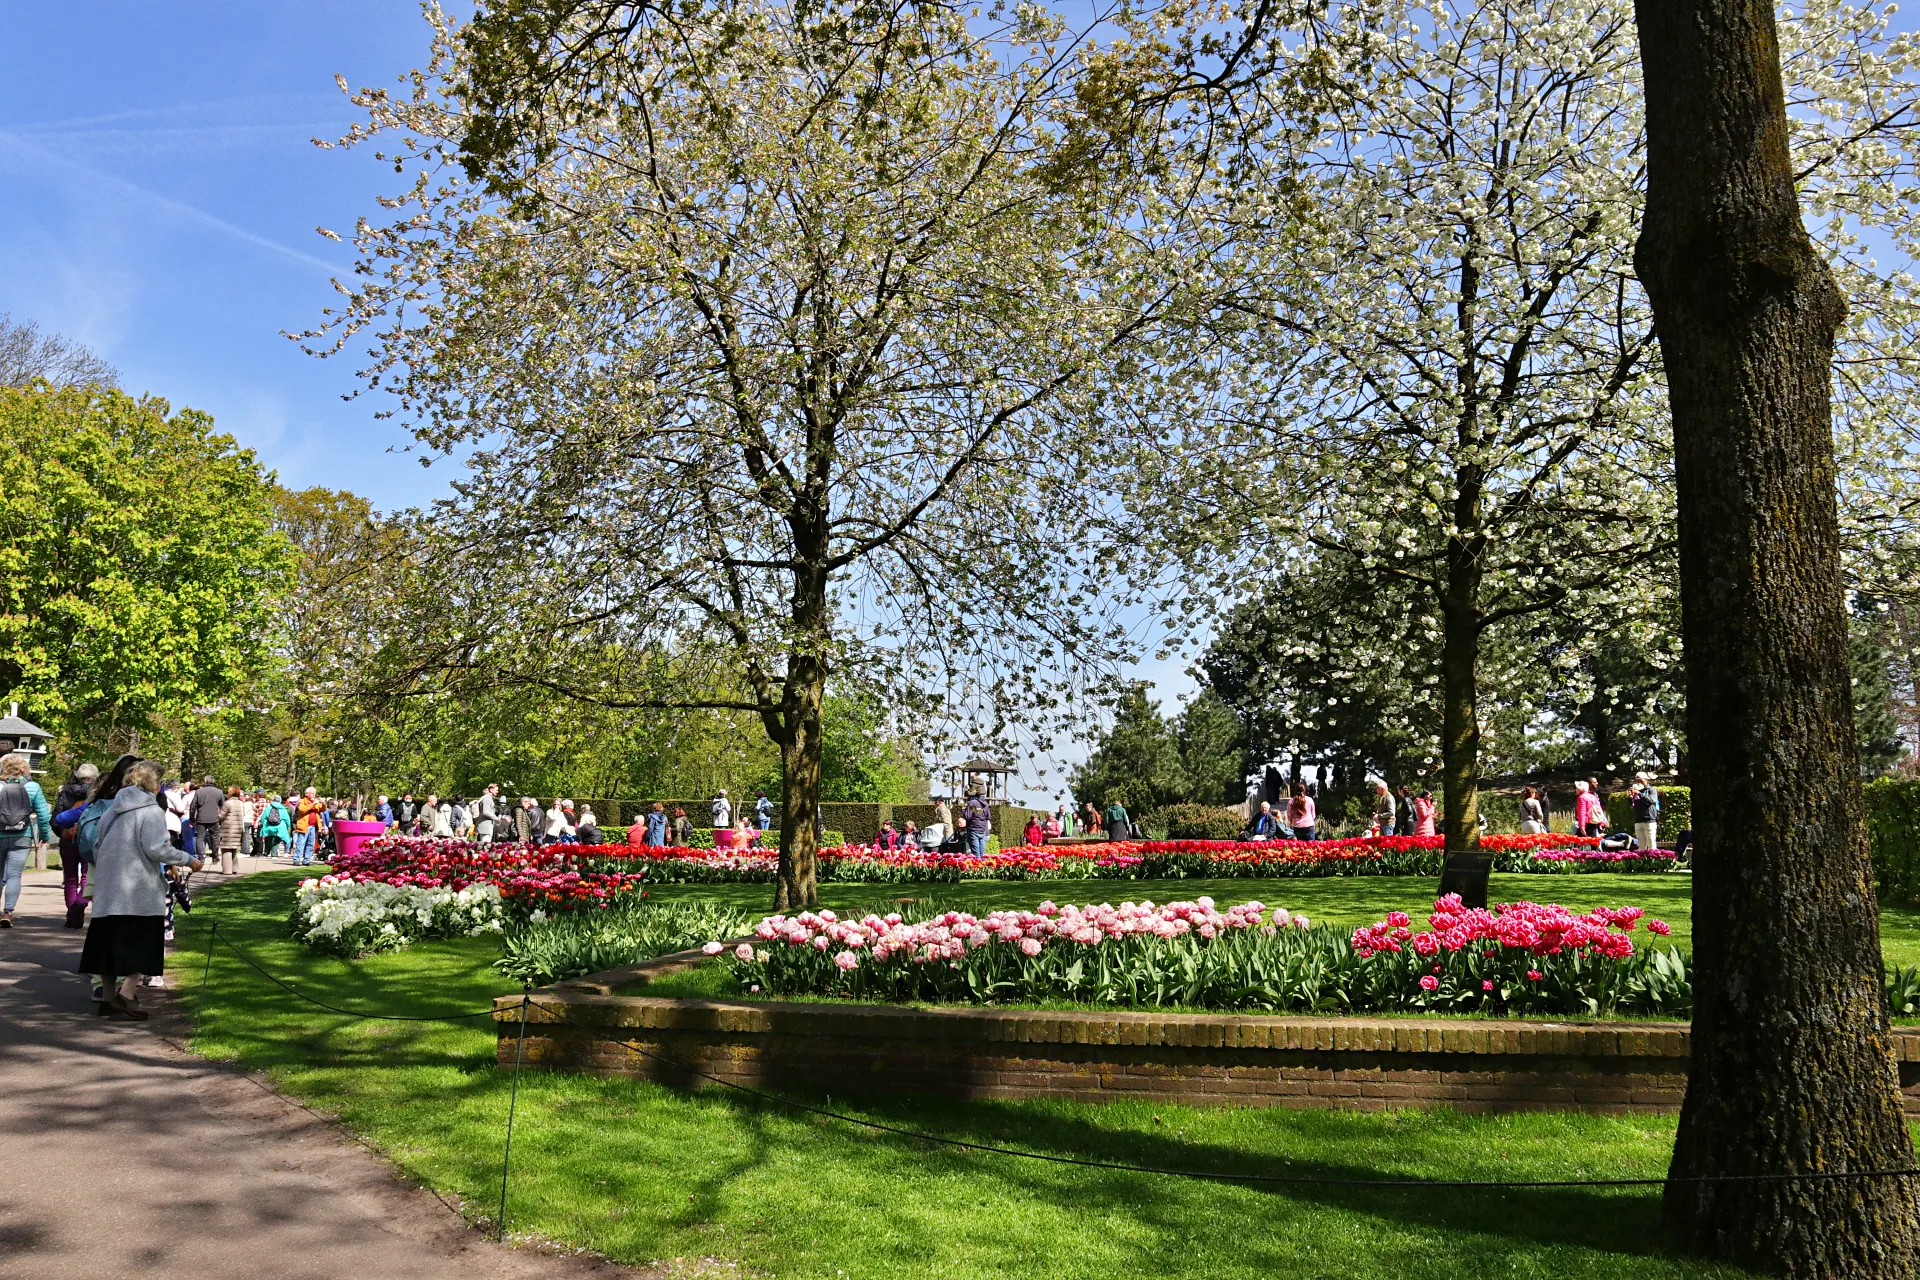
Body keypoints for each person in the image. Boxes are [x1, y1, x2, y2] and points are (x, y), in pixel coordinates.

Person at [78, 759, 202, 1019]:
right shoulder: (151, 811)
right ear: (153, 783)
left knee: (108, 946)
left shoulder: (112, 810)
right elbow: (157, 848)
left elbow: (98, 847)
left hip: (109, 890)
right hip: (139, 892)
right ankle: (126, 995)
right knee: (141, 945)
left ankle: (108, 999)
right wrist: (188, 860)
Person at [0, 752, 54, 928]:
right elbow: (43, 816)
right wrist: (44, 836)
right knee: (14, 875)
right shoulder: (33, 787)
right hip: (22, 836)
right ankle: (8, 912)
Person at [52, 762, 98, 928]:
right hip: (89, 840)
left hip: (68, 841)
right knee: (87, 876)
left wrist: (64, 834)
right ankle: (80, 903)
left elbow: (55, 819)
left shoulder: (65, 791)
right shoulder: (98, 793)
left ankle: (71, 914)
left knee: (70, 878)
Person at [188, 775, 223, 866]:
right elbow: (223, 806)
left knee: (200, 838)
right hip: (214, 818)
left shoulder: (199, 792)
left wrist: (191, 819)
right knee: (215, 837)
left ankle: (201, 858)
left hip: (201, 818)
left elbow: (193, 806)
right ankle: (215, 857)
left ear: (205, 781)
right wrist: (220, 817)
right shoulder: (219, 792)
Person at [215, 785, 250, 876]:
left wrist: (216, 814)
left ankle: (227, 870)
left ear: (230, 793)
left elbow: (221, 816)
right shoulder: (241, 804)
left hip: (228, 829)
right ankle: (234, 869)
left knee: (226, 850)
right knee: (234, 849)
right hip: (238, 829)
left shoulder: (227, 803)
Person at [292, 787, 327, 865]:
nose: (314, 795)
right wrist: (313, 804)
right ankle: (297, 859)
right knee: (301, 843)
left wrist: (323, 803)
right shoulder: (302, 801)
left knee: (311, 844)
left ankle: (306, 860)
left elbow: (322, 809)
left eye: (314, 793)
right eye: (312, 793)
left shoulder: (316, 802)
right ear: (307, 794)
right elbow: (302, 810)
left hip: (313, 826)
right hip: (305, 826)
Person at [1630, 772, 1661, 851]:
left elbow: (1650, 800)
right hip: (1638, 821)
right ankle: (1642, 859)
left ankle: (1653, 858)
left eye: (1640, 780)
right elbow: (1634, 807)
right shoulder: (1636, 792)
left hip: (1649, 821)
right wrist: (1631, 798)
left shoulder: (1652, 790)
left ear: (1646, 780)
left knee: (1651, 844)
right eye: (1637, 780)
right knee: (1641, 845)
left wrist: (1640, 794)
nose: (1638, 782)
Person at [257, 793, 292, 860]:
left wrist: (263, 824)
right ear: (280, 801)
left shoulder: (269, 808)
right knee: (277, 840)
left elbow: (263, 817)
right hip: (279, 827)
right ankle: (273, 855)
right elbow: (287, 819)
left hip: (268, 826)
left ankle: (266, 853)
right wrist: (287, 826)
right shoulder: (283, 809)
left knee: (268, 839)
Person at [961, 789, 994, 857]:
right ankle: (984, 863)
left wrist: (963, 810)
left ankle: (978, 863)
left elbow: (967, 816)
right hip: (983, 829)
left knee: (975, 852)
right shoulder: (985, 804)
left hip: (974, 829)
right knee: (982, 852)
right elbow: (988, 816)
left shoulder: (972, 803)